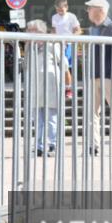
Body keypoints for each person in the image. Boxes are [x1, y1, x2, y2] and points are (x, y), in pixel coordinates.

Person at [85, 0, 112, 155]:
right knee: (92, 112)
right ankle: (93, 145)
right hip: (94, 75)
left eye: (90, 8)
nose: (88, 11)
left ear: (99, 10)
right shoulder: (92, 29)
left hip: (110, 75)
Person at [26, 19, 68, 157]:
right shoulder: (29, 48)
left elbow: (65, 65)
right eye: (29, 32)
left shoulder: (52, 45)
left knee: (51, 119)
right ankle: (39, 146)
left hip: (51, 87)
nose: (29, 35)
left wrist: (67, 85)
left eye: (32, 32)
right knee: (37, 120)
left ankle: (53, 145)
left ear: (41, 32)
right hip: (36, 88)